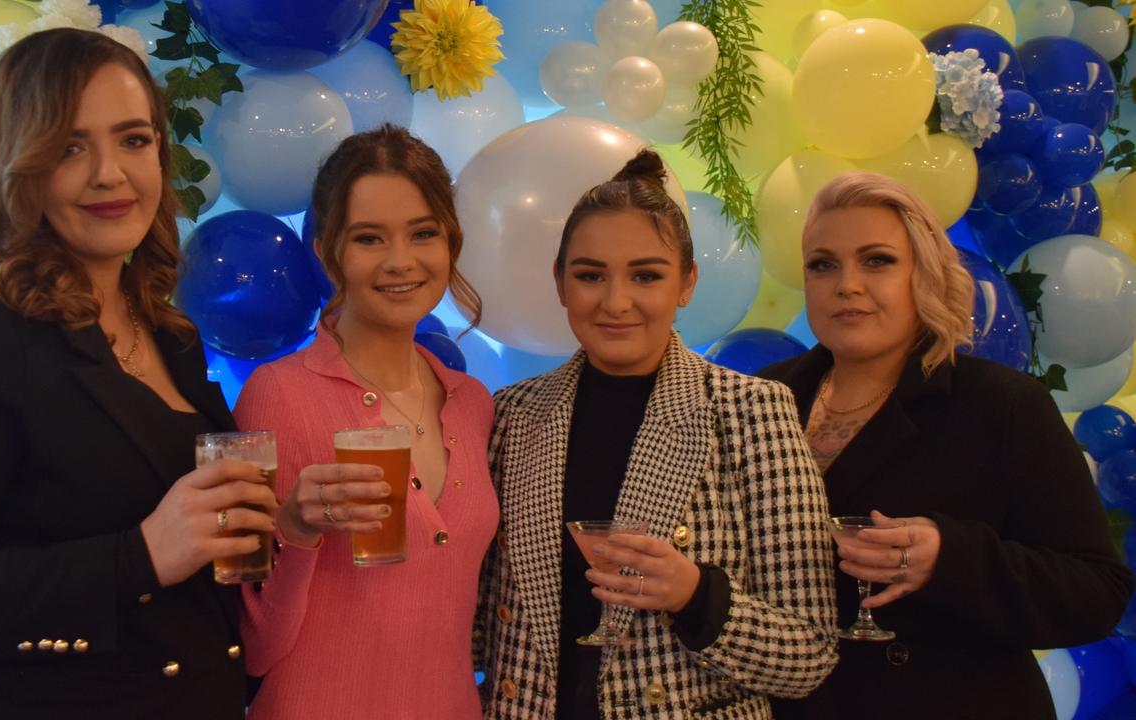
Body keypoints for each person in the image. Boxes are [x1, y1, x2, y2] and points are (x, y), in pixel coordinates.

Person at [0, 29, 278, 719]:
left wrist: (287, 519)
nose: (109, 172)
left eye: (134, 139)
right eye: (69, 146)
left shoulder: (166, 331)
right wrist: (138, 557)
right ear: (15, 165)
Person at [475, 149, 838, 719]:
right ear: (560, 283)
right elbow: (479, 628)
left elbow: (809, 655)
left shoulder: (752, 413)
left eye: (646, 275)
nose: (616, 302)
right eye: (591, 275)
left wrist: (696, 594)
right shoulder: (512, 416)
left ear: (688, 283)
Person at [759, 171, 1134, 719]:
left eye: (877, 260)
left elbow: (1095, 594)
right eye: (823, 264)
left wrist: (950, 558)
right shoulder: (765, 398)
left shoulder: (1004, 405)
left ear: (924, 274)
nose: (846, 284)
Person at [233, 125, 498, 720]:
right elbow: (251, 649)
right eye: (369, 238)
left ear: (450, 243)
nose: (401, 261)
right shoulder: (273, 396)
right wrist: (295, 532)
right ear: (327, 253)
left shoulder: (474, 403)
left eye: (423, 234)